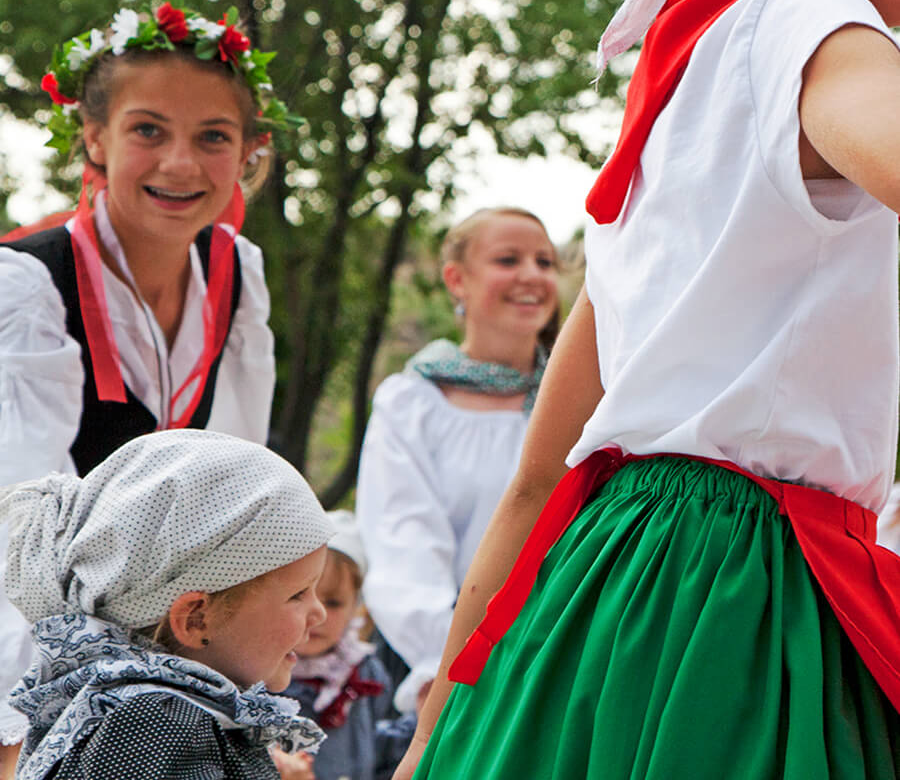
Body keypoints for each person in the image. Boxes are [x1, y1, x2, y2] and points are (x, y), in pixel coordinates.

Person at [393, 0, 900, 778]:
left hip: (597, 586)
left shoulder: (671, 116)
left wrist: (437, 726)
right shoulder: (817, 17)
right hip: (740, 593)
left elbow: (536, 480)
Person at [0, 0, 291, 756]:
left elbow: (235, 491)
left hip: (163, 659)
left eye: (213, 137)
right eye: (148, 130)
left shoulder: (238, 275)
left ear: (250, 151)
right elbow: (18, 531)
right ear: (94, 138)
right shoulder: (27, 285)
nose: (181, 164)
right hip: (28, 646)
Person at [1, 429, 335, 780]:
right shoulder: (155, 723)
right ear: (195, 620)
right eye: (298, 594)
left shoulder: (159, 714)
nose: (319, 613)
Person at [355, 207, 559, 713]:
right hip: (447, 664)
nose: (532, 275)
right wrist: (446, 659)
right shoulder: (414, 403)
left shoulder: (582, 400)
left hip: (560, 656)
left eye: (545, 261)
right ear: (456, 280)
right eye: (508, 260)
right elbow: (404, 535)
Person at [275, 510, 412, 780]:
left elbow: (377, 741)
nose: (318, 615)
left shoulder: (366, 671)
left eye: (334, 603)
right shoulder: (266, 671)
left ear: (356, 608)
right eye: (298, 597)